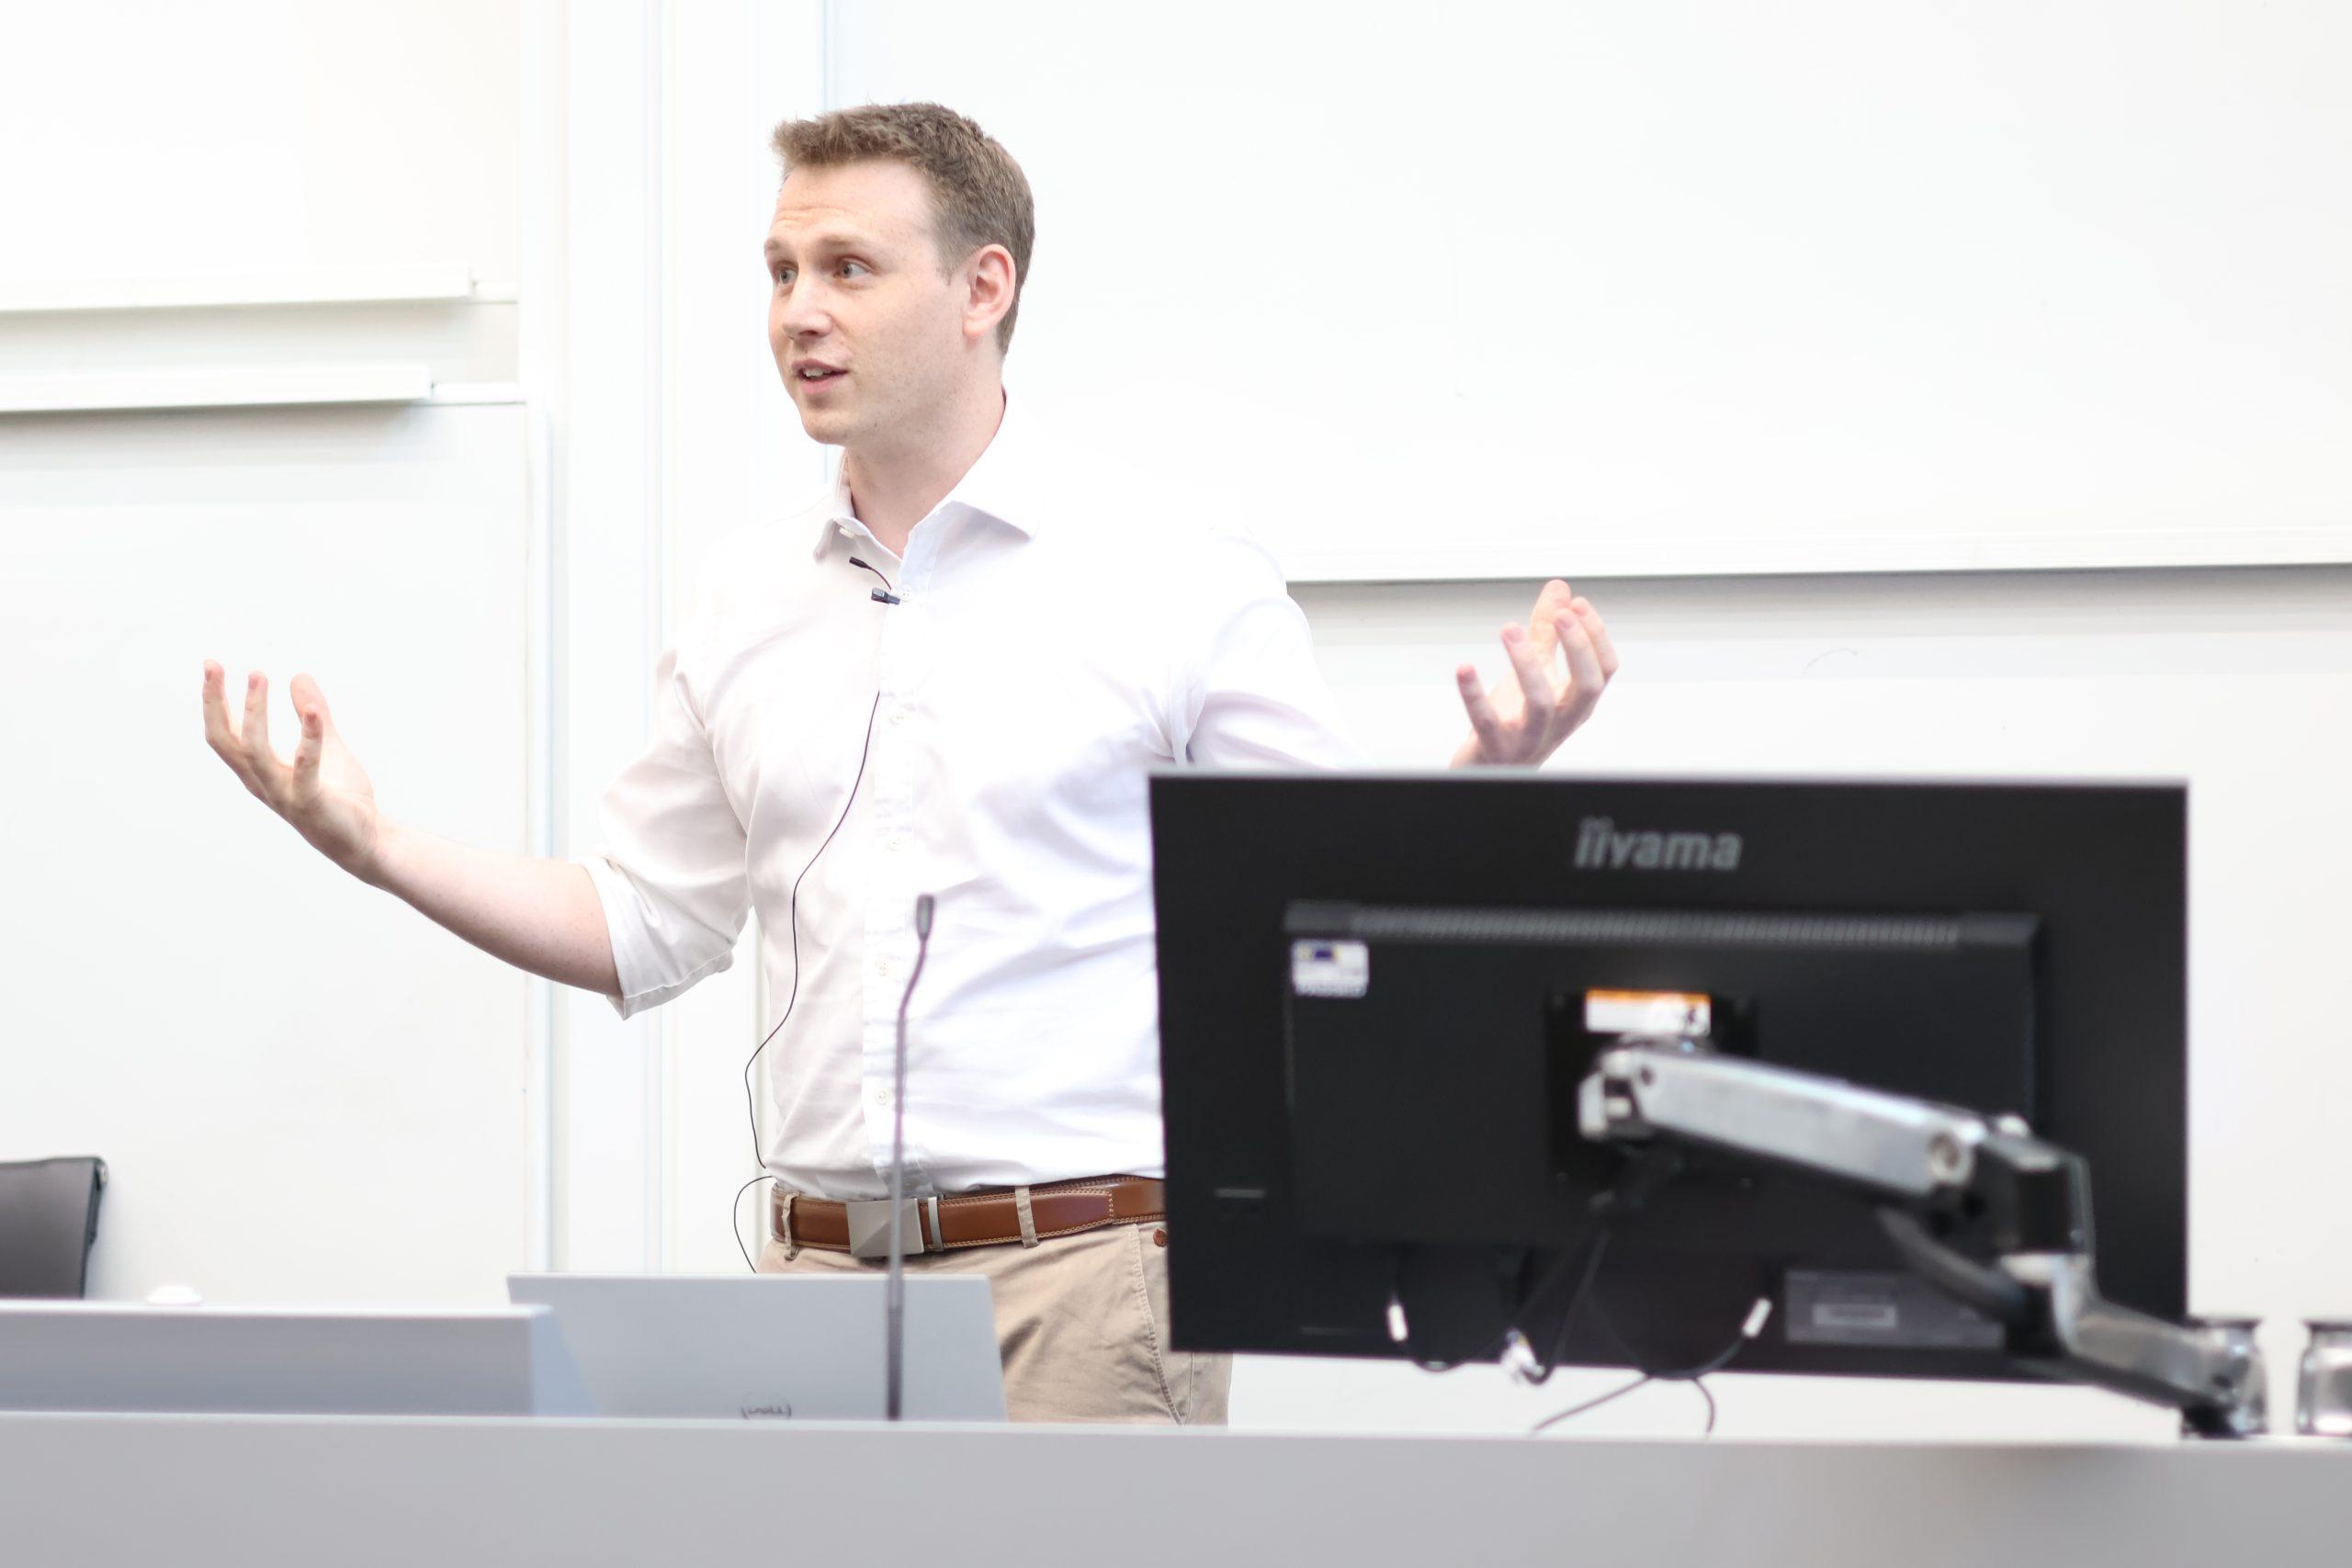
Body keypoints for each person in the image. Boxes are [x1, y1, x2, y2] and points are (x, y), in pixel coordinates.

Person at [199, 101, 1619, 1426]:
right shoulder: (743, 600)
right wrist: (379, 849)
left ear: (983, 288)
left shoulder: (1173, 574)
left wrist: (1484, 774)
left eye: (848, 269)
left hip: (1083, 1280)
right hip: (814, 1282)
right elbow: (642, 922)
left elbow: (1326, 900)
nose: (798, 312)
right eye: (780, 272)